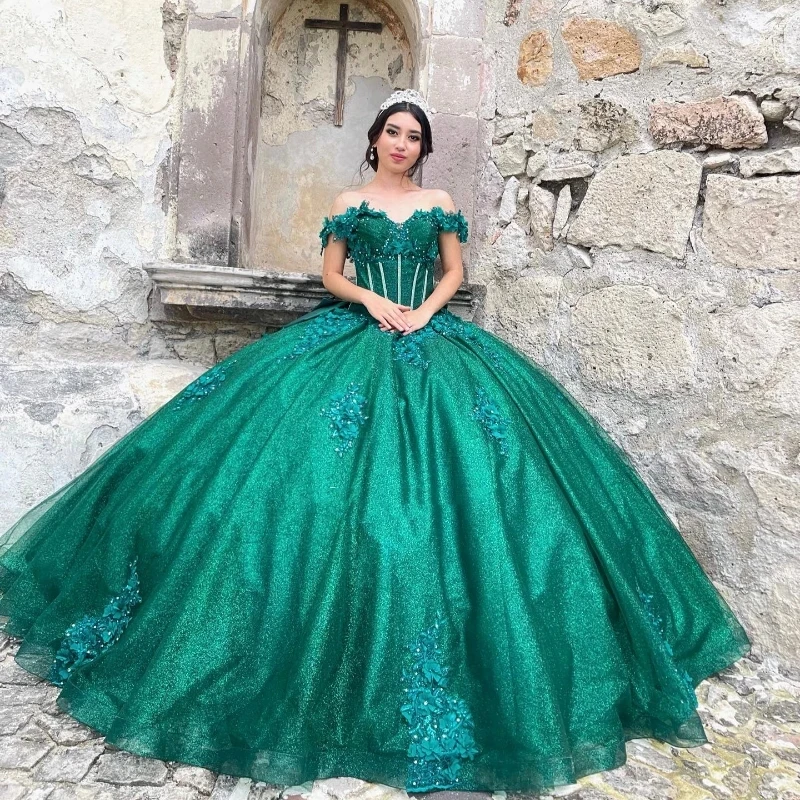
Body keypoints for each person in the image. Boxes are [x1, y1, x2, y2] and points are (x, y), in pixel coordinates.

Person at [0, 88, 751, 794]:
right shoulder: (348, 203)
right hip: (355, 334)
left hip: (432, 335)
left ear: (424, 147)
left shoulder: (439, 203)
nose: (402, 143)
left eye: (414, 135)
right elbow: (330, 273)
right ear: (375, 140)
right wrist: (372, 300)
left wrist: (423, 311)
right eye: (392, 132)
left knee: (495, 487)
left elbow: (456, 271)